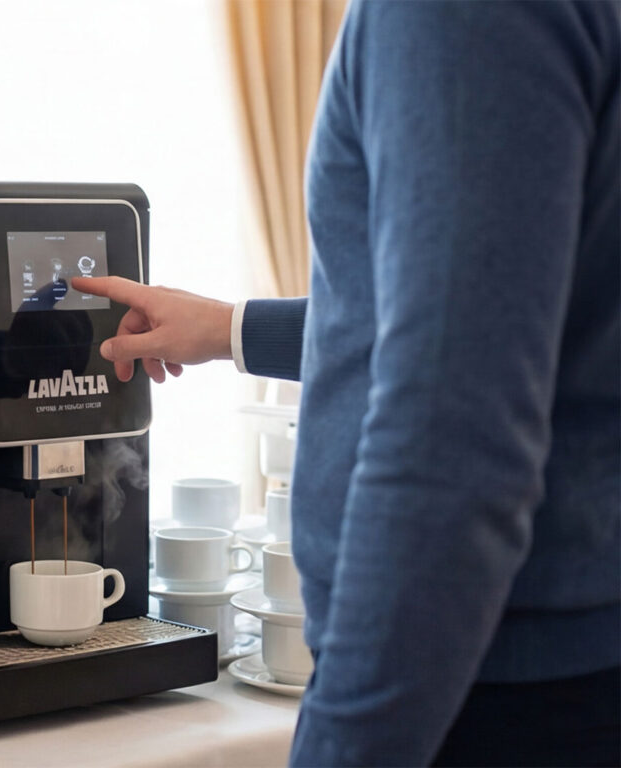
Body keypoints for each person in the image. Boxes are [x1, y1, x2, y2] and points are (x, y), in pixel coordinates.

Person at [73, 1, 620, 765]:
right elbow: (512, 317)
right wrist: (232, 328)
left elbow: (452, 448)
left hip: (486, 686)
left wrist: (342, 745)